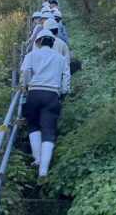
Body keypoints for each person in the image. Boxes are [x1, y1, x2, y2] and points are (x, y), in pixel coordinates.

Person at [20, 29, 70, 177]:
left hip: (34, 93)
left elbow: (25, 72)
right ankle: (44, 170)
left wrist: (26, 86)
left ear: (39, 42)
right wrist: (63, 93)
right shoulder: (60, 58)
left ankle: (37, 159)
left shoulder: (30, 55)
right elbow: (66, 77)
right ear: (52, 42)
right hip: (52, 94)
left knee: (33, 124)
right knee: (48, 130)